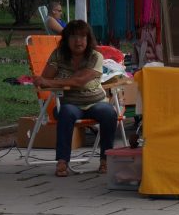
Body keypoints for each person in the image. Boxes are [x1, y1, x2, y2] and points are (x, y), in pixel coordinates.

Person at [34, 20, 117, 177]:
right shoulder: (59, 54)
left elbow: (79, 81)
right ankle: (62, 161)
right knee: (65, 113)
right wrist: (47, 81)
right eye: (73, 37)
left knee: (109, 113)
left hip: (95, 102)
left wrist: (52, 82)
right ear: (66, 39)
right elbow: (44, 79)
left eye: (82, 37)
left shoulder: (95, 56)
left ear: (88, 39)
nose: (78, 41)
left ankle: (105, 159)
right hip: (70, 103)